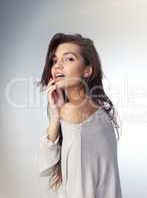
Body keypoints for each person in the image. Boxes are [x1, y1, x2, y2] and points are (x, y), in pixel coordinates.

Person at [34, 32, 123, 198]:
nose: (57, 66)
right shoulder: (96, 111)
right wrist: (55, 118)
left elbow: (79, 188)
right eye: (54, 60)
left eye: (69, 59)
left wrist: (60, 114)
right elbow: (45, 166)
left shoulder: (74, 110)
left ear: (87, 71)